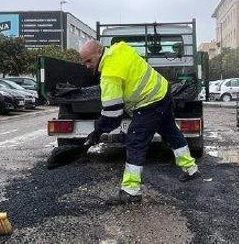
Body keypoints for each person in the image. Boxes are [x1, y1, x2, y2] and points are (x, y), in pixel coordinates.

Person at [79, 39, 199, 205]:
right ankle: (191, 169)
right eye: (84, 62)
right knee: (171, 132)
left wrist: (97, 132)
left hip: (148, 103)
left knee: (135, 142)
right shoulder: (120, 47)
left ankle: (131, 191)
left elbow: (113, 115)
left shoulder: (110, 75)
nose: (87, 66)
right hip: (163, 92)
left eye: (89, 60)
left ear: (99, 52)